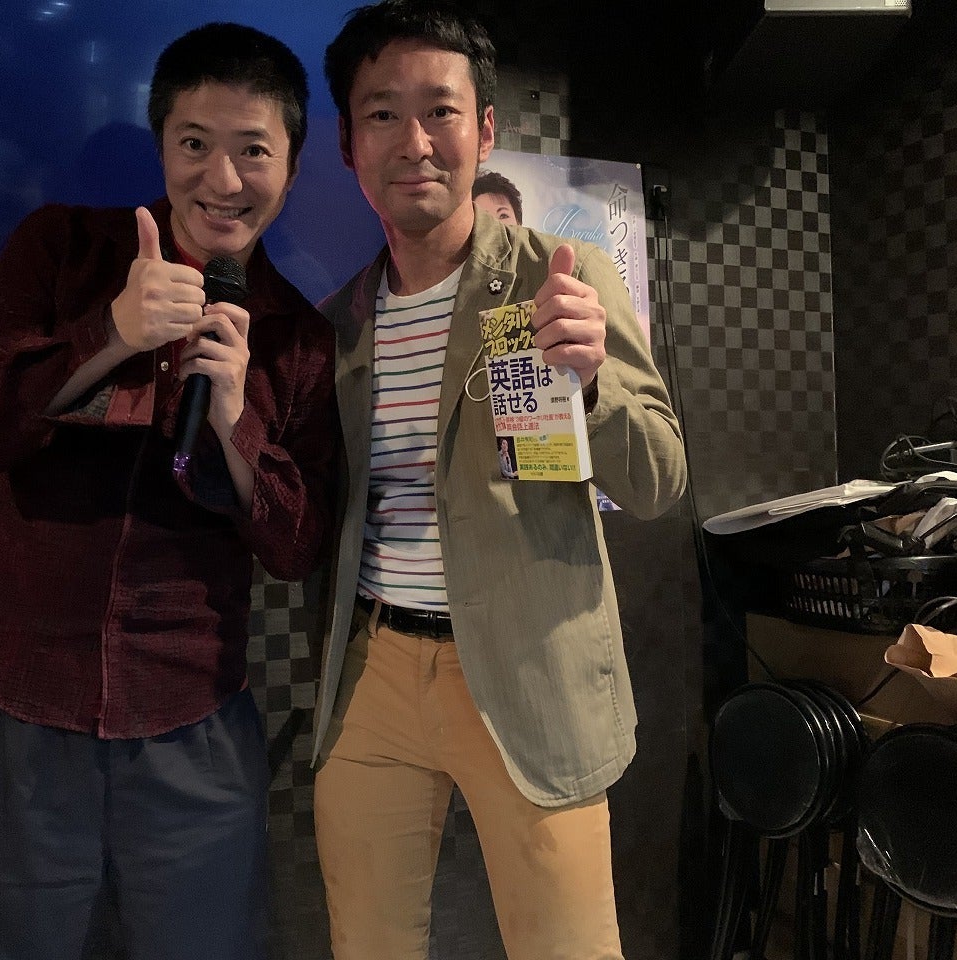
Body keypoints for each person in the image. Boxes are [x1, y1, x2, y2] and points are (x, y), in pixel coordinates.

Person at [0, 22, 337, 960]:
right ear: (161, 146)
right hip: (18, 701)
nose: (223, 179)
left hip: (192, 717)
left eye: (253, 150)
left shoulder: (298, 335)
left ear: (292, 165)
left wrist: (234, 421)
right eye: (195, 143)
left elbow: (296, 547)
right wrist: (110, 332)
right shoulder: (61, 249)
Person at [311, 3, 687, 958]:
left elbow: (659, 482)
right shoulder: (339, 322)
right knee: (367, 944)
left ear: (484, 130)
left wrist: (593, 384)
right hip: (375, 675)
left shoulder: (560, 278)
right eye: (382, 113)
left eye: (439, 110)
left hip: (529, 667)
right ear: (349, 144)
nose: (414, 141)